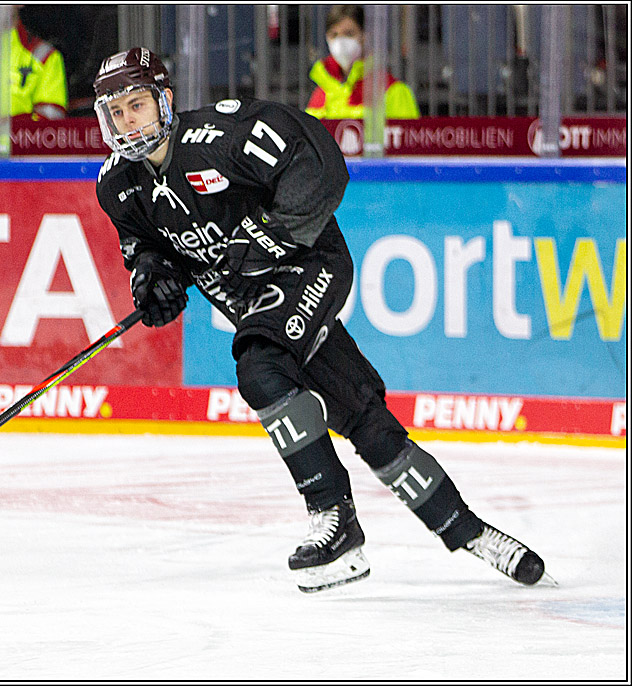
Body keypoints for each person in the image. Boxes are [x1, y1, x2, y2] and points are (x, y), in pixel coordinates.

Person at [92, 47, 551, 593]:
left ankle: (334, 520)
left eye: (137, 105)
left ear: (165, 100)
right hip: (257, 303)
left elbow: (320, 160)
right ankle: (470, 531)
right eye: (116, 112)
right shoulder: (116, 186)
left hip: (309, 266)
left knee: (259, 369)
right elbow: (146, 246)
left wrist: (269, 235)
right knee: (366, 421)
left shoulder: (222, 137)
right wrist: (153, 277)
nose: (128, 122)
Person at [305, 5, 419, 120]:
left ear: (365, 36)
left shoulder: (392, 90)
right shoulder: (321, 93)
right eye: (334, 35)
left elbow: (408, 136)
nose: (340, 42)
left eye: (349, 34)